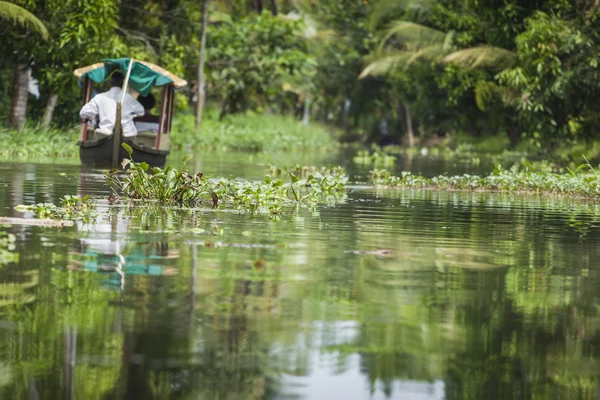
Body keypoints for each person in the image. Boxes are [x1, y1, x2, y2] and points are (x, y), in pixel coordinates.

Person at [79, 72, 145, 137]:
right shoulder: (129, 98)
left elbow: (84, 113)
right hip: (127, 135)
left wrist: (95, 115)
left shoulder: (99, 97)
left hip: (104, 134)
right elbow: (141, 112)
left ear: (109, 83)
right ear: (122, 84)